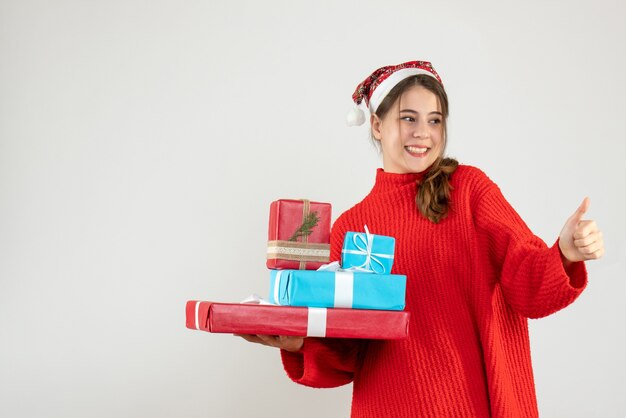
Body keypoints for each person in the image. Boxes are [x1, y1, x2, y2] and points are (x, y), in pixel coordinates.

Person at [239, 61, 605, 417]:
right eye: (408, 118)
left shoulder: (469, 190)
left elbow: (527, 284)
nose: (423, 133)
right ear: (378, 125)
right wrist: (297, 342)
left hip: (475, 404)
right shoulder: (351, 226)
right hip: (386, 406)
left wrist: (565, 252)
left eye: (434, 120)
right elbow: (349, 352)